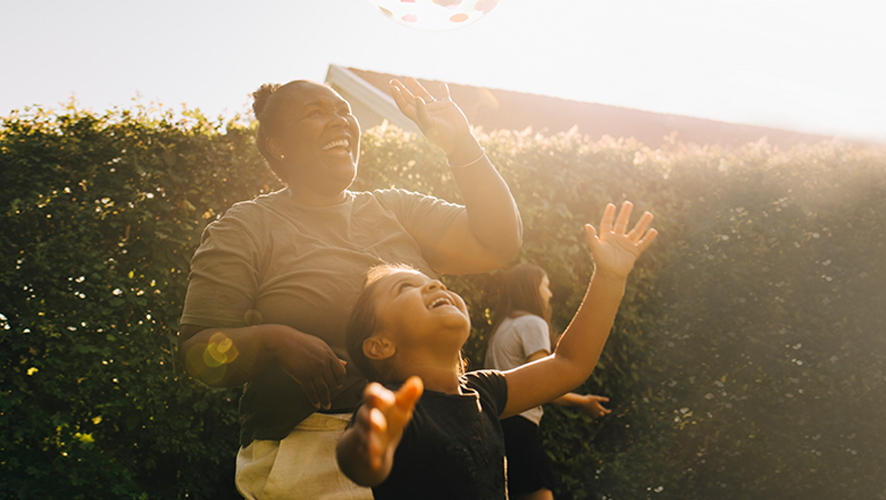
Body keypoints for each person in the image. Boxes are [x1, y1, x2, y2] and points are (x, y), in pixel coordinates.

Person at [177, 77, 522, 499]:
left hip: (436, 440)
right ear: (276, 145)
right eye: (316, 113)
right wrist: (272, 341)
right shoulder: (244, 228)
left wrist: (461, 144)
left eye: (343, 110)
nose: (340, 121)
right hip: (314, 457)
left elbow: (498, 243)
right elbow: (198, 353)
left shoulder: (394, 208)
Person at [336, 202, 657, 499]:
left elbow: (569, 363)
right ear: (380, 346)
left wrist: (610, 277)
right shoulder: (396, 409)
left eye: (432, 281)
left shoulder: (483, 391)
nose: (434, 285)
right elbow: (360, 461)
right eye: (405, 287)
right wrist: (371, 443)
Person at [484, 263, 614, 500]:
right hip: (520, 426)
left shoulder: (502, 327)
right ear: (532, 289)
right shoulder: (533, 323)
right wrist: (582, 402)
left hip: (496, 426)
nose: (550, 294)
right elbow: (546, 383)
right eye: (546, 286)